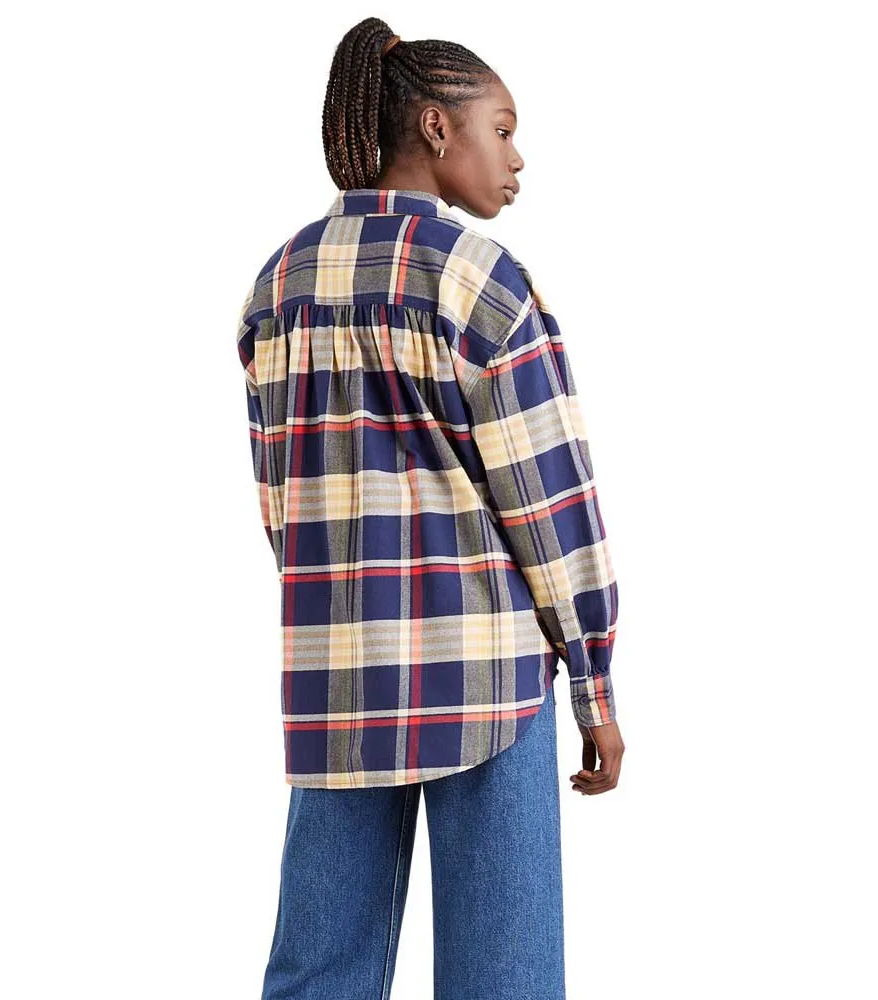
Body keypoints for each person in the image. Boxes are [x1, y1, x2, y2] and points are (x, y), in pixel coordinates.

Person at [236, 16, 625, 1000]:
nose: (517, 157)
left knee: (317, 972)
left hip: (335, 678)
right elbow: (550, 500)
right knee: (504, 977)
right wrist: (594, 680)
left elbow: (281, 506)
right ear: (436, 127)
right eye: (503, 128)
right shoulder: (480, 280)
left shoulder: (276, 286)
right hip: (488, 678)